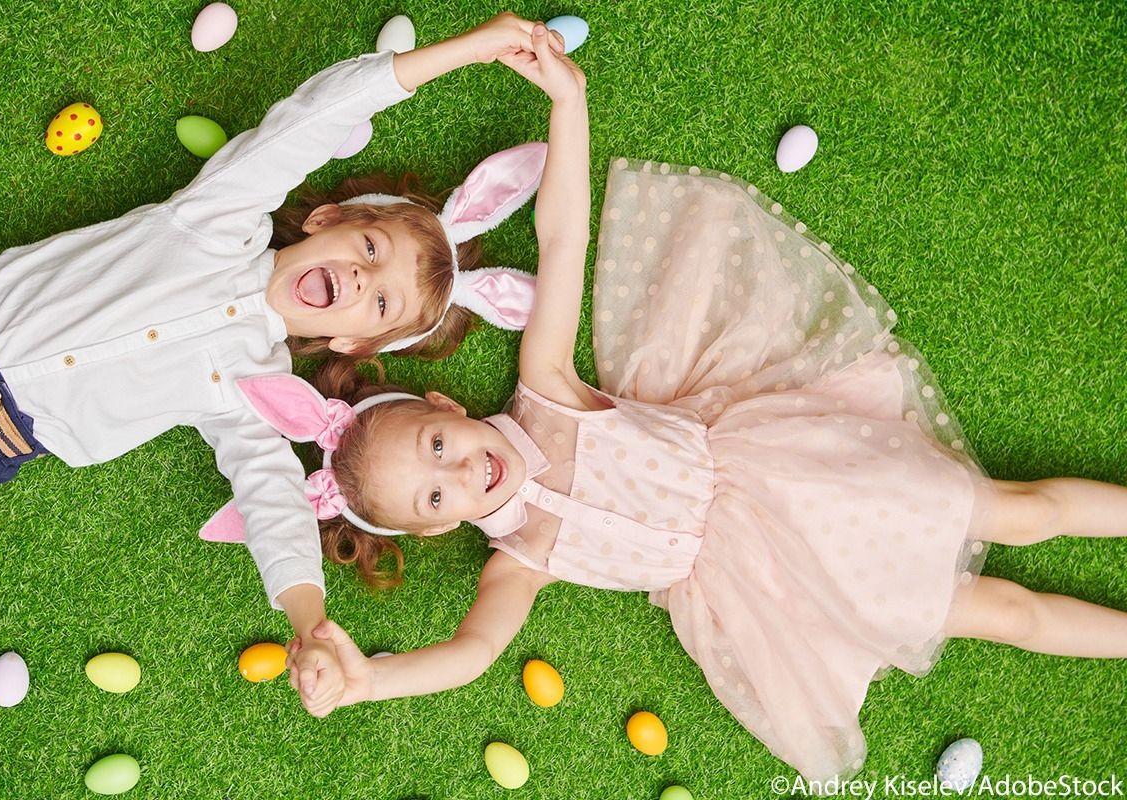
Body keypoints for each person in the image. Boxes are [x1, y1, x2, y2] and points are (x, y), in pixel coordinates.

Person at [262, 24, 1125, 781]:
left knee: (1021, 510)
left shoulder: (547, 389)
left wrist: (570, 101)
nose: (461, 472)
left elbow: (565, 238)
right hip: (774, 584)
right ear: (436, 529)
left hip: (800, 478)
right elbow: (473, 652)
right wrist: (375, 679)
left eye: (437, 445)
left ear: (445, 402)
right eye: (437, 495)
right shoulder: (521, 559)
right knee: (1005, 615)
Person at [0, 12, 557, 713]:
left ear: (352, 345)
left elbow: (275, 504)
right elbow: (314, 119)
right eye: (370, 249)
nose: (360, 278)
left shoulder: (256, 391)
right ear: (327, 222)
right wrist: (466, 50)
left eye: (381, 306)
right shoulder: (220, 220)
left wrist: (309, 623)